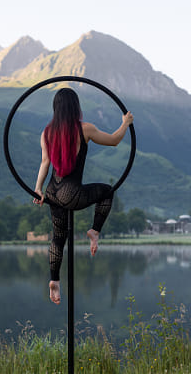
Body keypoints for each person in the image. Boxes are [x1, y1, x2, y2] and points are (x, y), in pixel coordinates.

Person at [33, 88, 133, 304]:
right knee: (107, 191)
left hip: (52, 192)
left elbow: (44, 162)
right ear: (75, 107)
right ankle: (94, 230)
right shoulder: (84, 129)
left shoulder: (46, 132)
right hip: (71, 193)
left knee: (58, 238)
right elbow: (114, 140)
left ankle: (54, 281)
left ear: (56, 108)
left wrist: (38, 188)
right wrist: (125, 123)